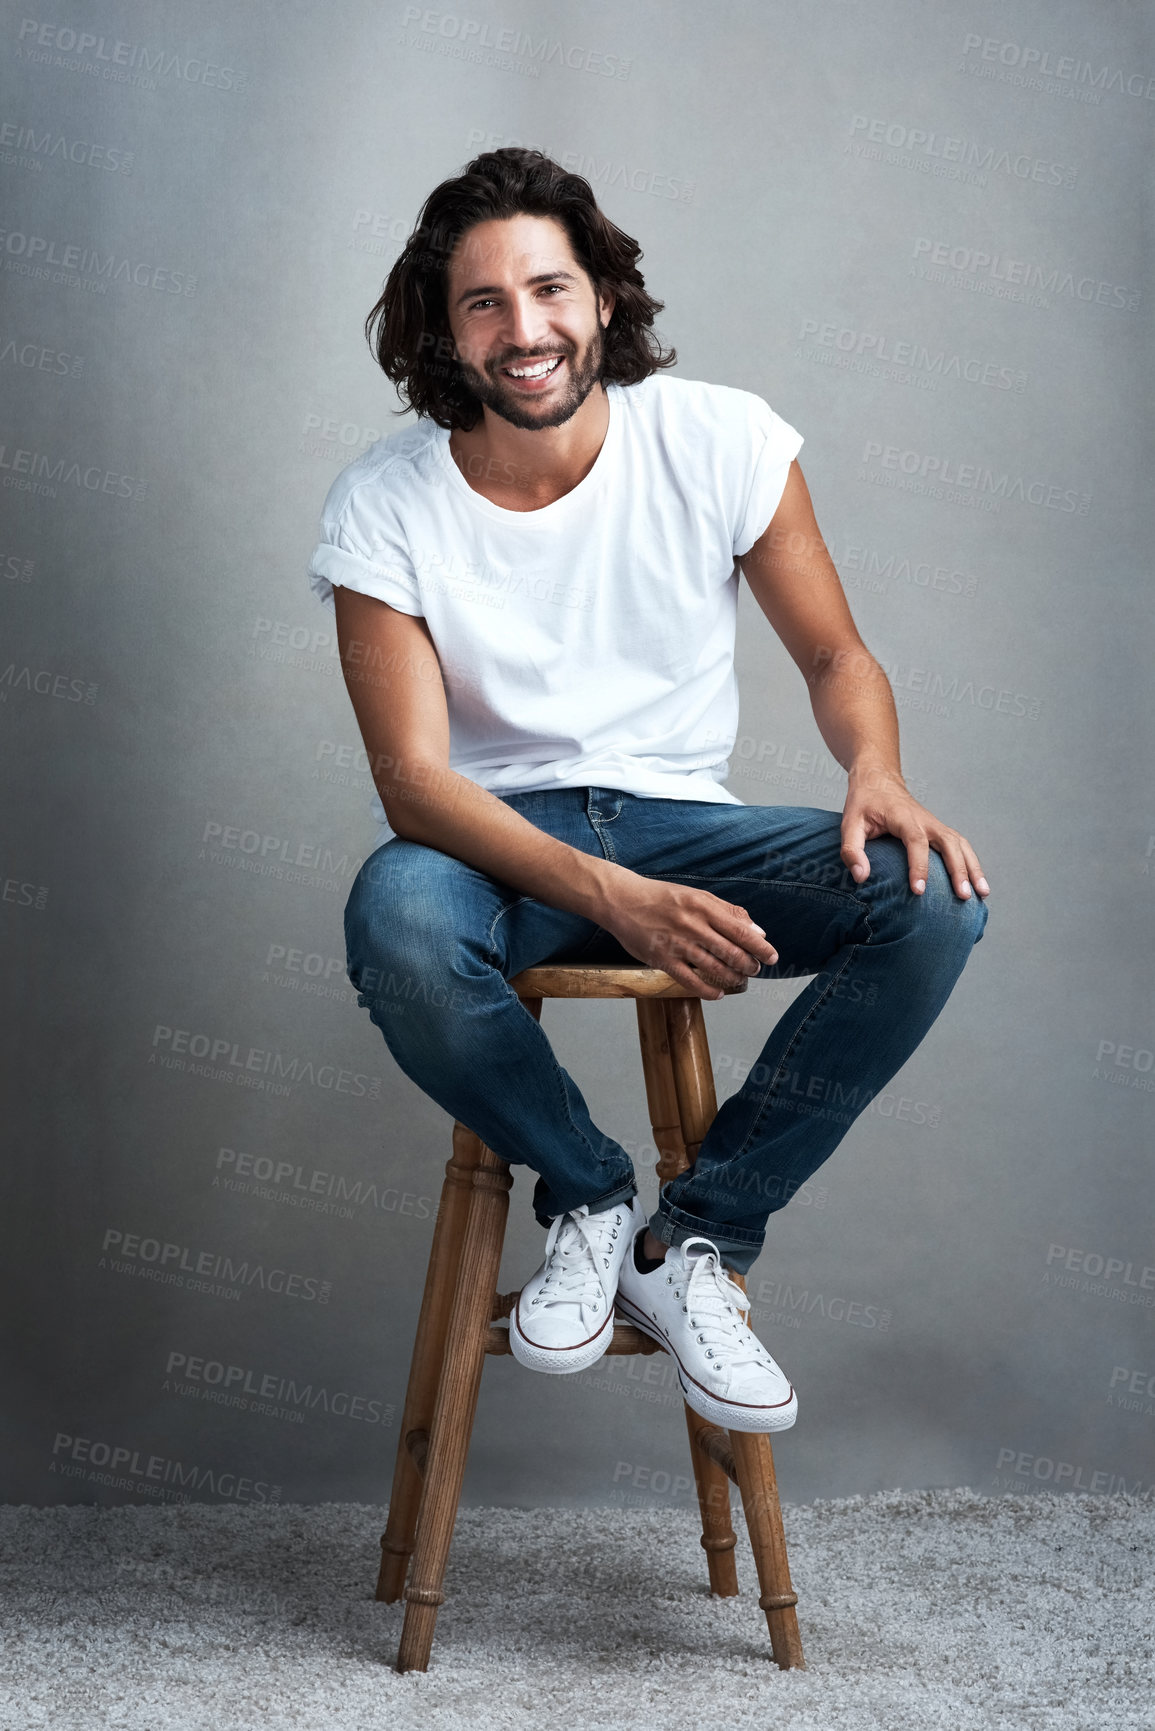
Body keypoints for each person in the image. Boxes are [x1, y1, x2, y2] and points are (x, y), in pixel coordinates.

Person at [307, 148, 990, 1435]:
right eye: (485, 303)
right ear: (443, 333)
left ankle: (694, 1245)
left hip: (689, 826)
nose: (527, 330)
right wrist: (616, 899)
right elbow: (411, 783)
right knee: (395, 915)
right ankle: (585, 1193)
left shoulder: (720, 436)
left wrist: (877, 772)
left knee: (931, 898)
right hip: (493, 848)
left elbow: (837, 656)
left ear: (603, 300)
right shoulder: (384, 504)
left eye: (551, 290)